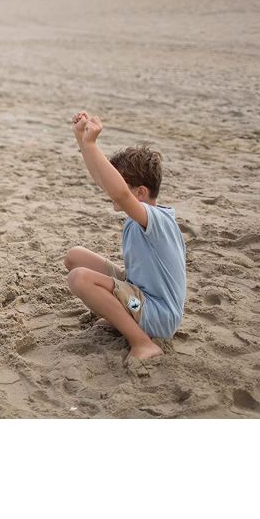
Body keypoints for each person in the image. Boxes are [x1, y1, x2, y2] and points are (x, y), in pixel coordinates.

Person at [63, 111, 186, 363]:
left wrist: (91, 143)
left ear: (140, 192)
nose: (110, 192)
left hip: (157, 314)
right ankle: (118, 315)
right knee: (75, 257)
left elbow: (119, 194)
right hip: (138, 293)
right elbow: (105, 181)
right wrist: (81, 140)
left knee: (80, 279)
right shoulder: (143, 215)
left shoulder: (156, 220)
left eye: (121, 185)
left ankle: (142, 342)